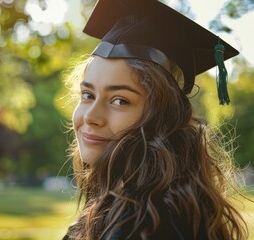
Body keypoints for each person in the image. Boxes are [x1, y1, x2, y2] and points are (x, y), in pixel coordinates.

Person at [62, 0, 248, 239]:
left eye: (120, 100)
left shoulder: (145, 223)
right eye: (88, 95)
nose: (90, 116)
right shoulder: (128, 204)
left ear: (163, 116)